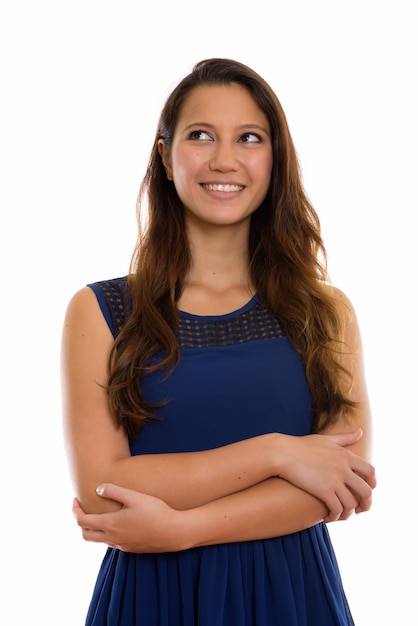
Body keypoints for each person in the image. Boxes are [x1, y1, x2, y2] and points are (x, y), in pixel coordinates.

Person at [61, 58, 376, 626]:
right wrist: (275, 452)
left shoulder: (325, 313)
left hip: (294, 598)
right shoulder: (102, 311)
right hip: (152, 599)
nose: (224, 160)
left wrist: (183, 527)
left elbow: (343, 482)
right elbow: (106, 491)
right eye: (200, 135)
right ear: (165, 154)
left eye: (249, 138)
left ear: (274, 157)